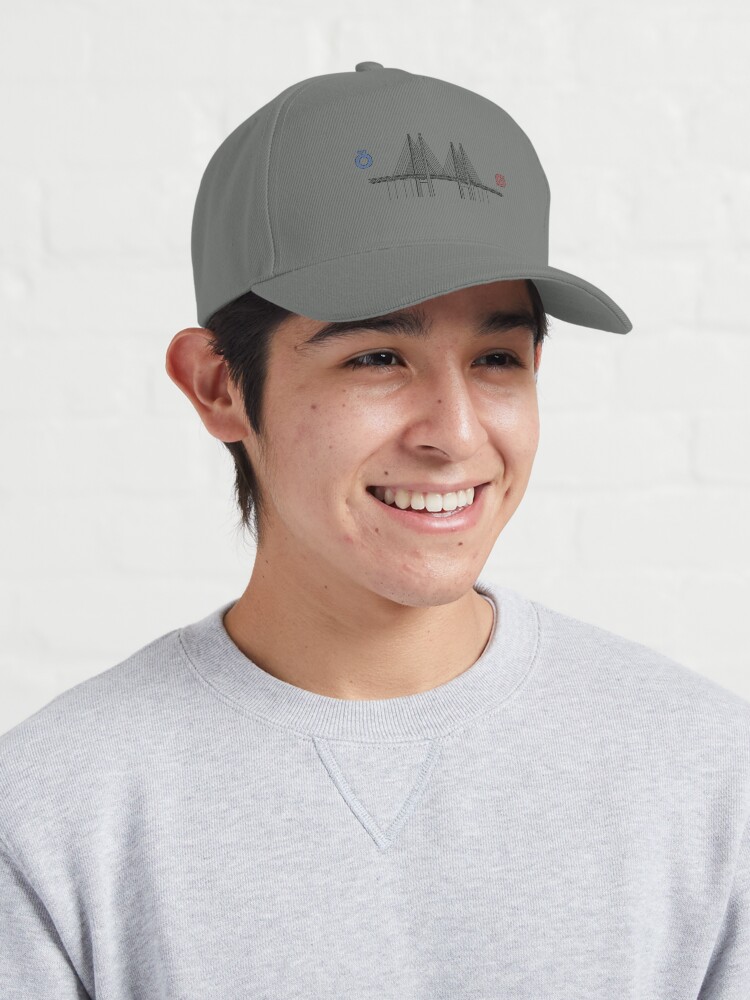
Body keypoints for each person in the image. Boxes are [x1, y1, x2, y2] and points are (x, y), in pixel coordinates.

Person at [1, 61, 748, 999]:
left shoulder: (711, 778)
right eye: (378, 357)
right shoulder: (51, 817)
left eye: (497, 358)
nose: (457, 434)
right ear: (218, 385)